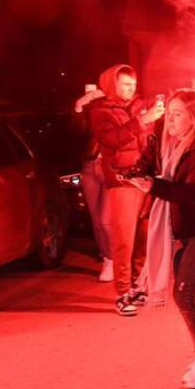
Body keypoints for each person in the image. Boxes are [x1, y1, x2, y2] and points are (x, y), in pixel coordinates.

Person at [127, 88, 195, 388]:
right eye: (169, 112)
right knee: (191, 295)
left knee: (183, 294)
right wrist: (138, 173)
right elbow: (149, 159)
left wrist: (152, 187)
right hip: (182, 233)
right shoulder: (171, 144)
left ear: (194, 118)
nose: (170, 118)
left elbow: (193, 194)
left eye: (178, 113)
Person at [87, 64, 164, 316]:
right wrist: (141, 121)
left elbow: (150, 140)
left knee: (144, 235)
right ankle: (122, 291)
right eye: (125, 85)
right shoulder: (101, 112)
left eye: (133, 84)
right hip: (122, 181)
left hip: (146, 179)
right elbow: (112, 139)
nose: (131, 89)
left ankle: (137, 285)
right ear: (112, 85)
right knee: (124, 238)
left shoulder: (141, 105)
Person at [73, 84, 114, 282]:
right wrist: (80, 106)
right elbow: (76, 133)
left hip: (110, 167)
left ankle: (116, 258)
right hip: (90, 166)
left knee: (107, 219)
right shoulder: (90, 110)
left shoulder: (116, 107)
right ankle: (107, 258)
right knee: (97, 219)